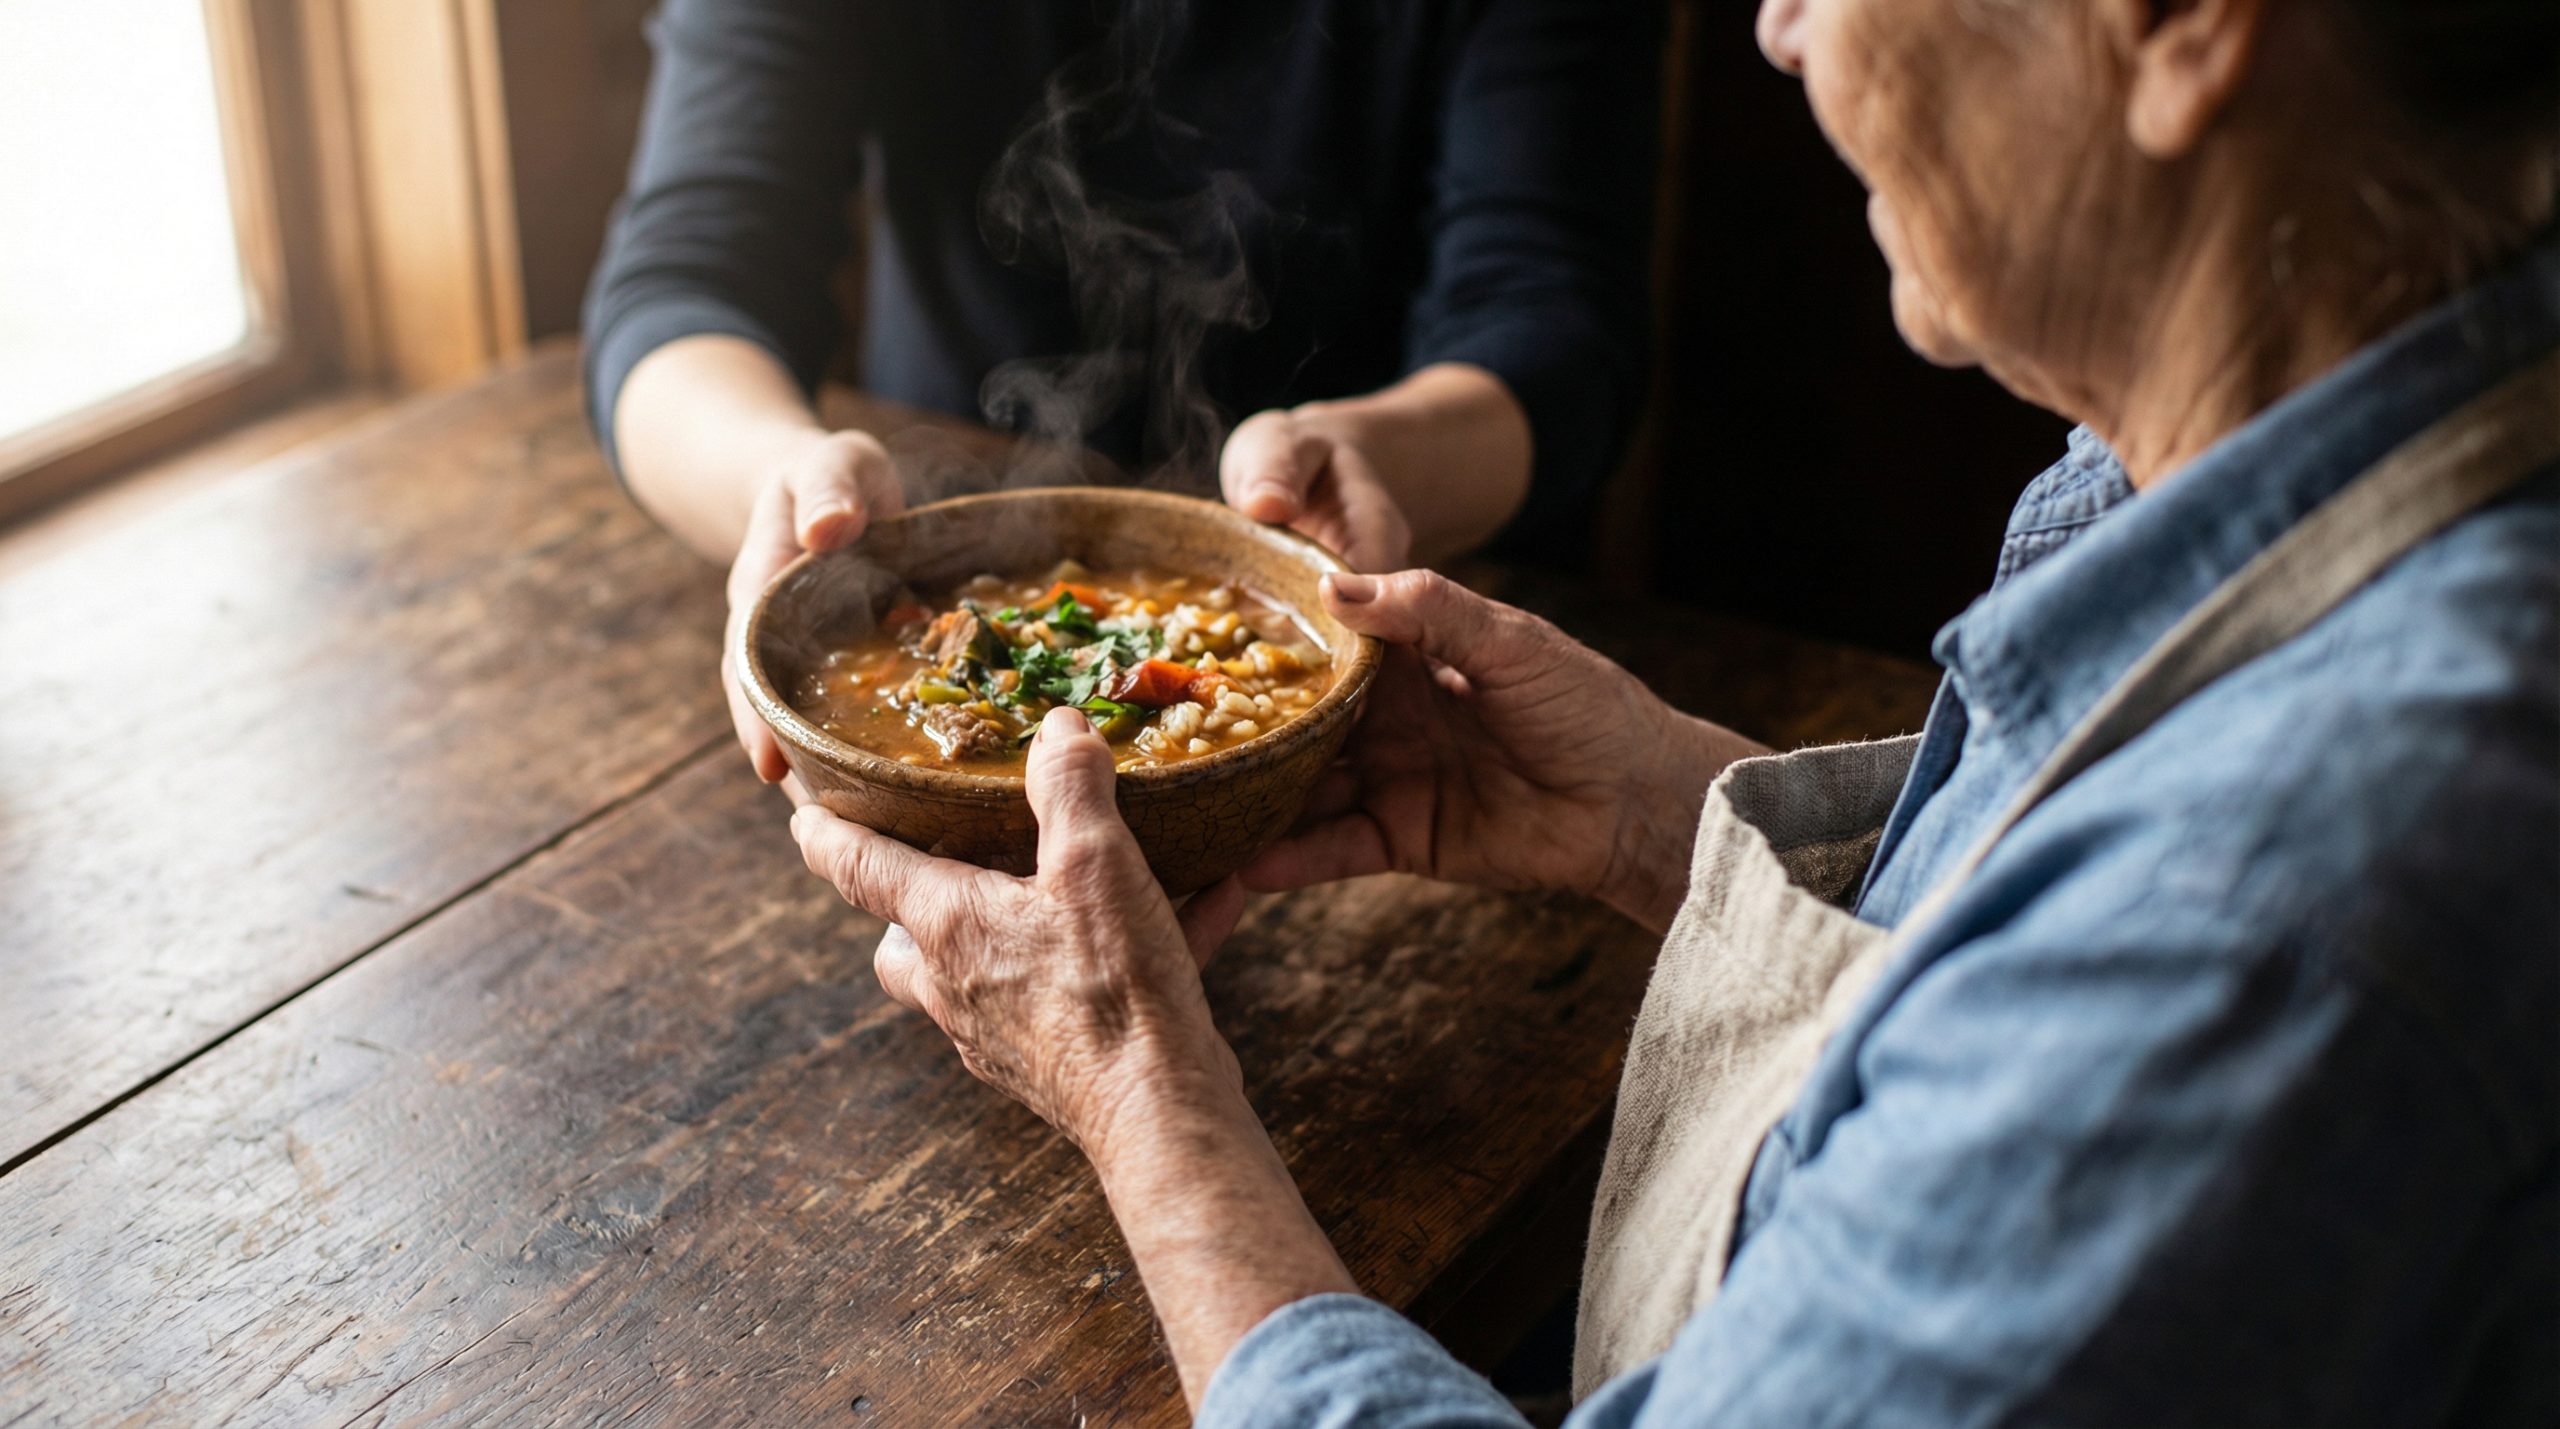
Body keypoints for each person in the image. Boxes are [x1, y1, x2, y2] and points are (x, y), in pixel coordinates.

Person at [788, 0, 2560, 1421]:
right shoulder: (2290, 481)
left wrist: (1145, 1100)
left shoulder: (2271, 919)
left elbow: (2149, 959)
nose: (1779, 27)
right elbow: (2041, 952)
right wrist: (1661, 810)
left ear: (2181, 25)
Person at [582, 0, 1661, 787]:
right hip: (919, 522)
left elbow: (1556, 324)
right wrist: (779, 483)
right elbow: (685, 276)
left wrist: (1362, 461)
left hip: (1421, 697)